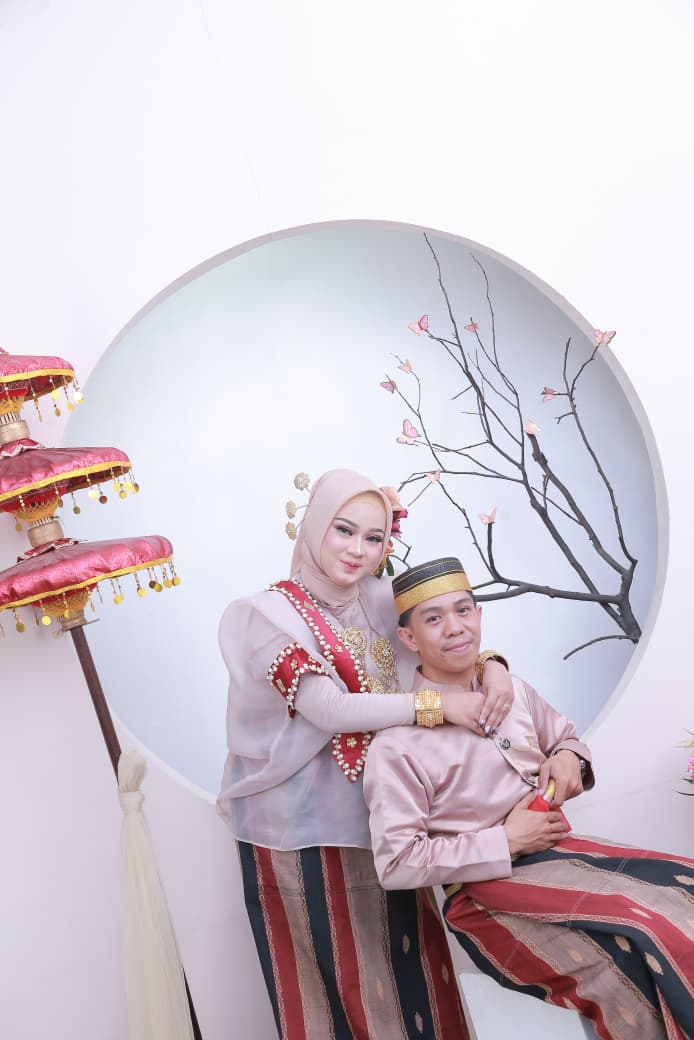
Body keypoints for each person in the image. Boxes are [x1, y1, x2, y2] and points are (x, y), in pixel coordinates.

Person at [217, 471, 515, 1040]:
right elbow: (328, 709)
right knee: (333, 981)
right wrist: (438, 706)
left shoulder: (382, 598)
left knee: (411, 969)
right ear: (313, 527)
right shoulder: (267, 616)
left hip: (384, 811)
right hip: (296, 827)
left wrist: (492, 666)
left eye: (374, 538)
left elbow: (445, 633)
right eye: (344, 530)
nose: (358, 550)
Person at [363, 557, 694, 1040]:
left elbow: (566, 738)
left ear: (478, 614)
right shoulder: (396, 746)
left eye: (463, 610)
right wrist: (505, 840)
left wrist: (569, 758)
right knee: (630, 953)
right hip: (485, 901)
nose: (455, 627)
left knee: (684, 893)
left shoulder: (512, 690)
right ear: (409, 638)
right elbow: (396, 864)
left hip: (569, 857)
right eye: (434, 618)